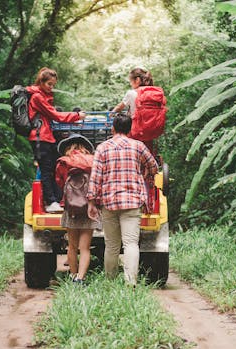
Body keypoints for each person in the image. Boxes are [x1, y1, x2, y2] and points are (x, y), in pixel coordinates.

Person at [87, 113, 158, 285]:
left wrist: (91, 201)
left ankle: (110, 281)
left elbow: (95, 177)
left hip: (109, 203)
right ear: (130, 129)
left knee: (111, 245)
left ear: (113, 128)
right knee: (131, 243)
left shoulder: (102, 148)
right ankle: (130, 282)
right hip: (133, 201)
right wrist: (145, 171)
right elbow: (154, 166)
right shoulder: (138, 146)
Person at [27, 67, 86, 213]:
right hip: (40, 138)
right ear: (41, 82)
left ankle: (56, 199)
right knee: (46, 170)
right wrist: (76, 116)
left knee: (54, 167)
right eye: (49, 84)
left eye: (53, 85)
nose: (51, 87)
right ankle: (51, 201)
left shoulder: (42, 96)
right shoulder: (37, 97)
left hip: (46, 137)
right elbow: (55, 115)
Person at [56, 134, 100, 284]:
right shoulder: (93, 161)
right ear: (85, 147)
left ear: (68, 147)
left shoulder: (63, 162)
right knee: (85, 248)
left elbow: (60, 184)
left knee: (72, 246)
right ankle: (81, 279)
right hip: (89, 208)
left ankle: (73, 275)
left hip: (71, 209)